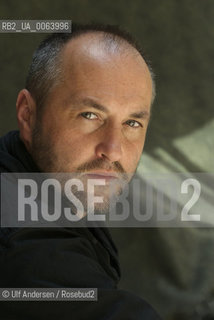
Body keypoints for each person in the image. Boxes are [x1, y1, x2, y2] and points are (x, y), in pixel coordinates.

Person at [0, 23, 161, 319]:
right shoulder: (27, 251)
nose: (113, 150)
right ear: (27, 114)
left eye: (132, 124)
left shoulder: (46, 182)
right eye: (90, 115)